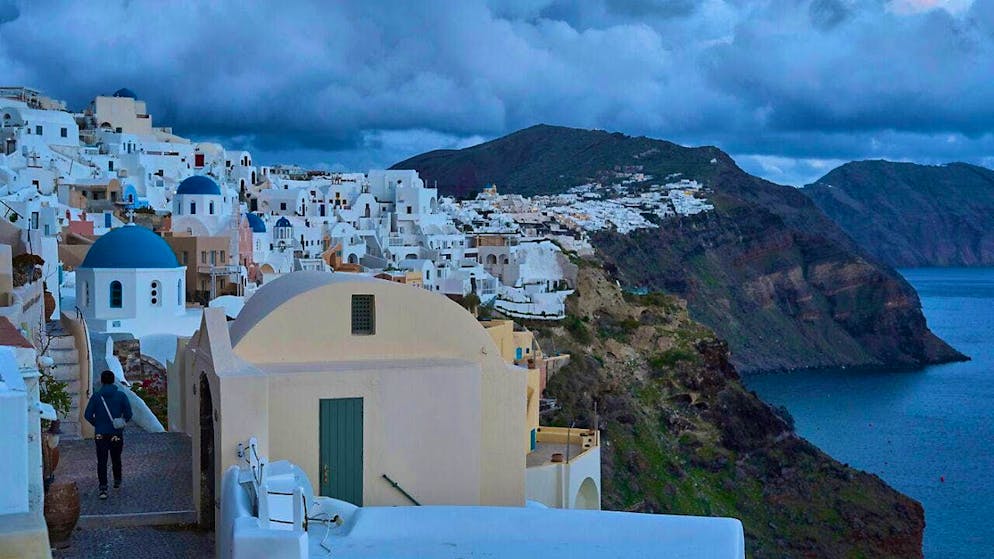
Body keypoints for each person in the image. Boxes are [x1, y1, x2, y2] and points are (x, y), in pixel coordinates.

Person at [83, 370, 133, 500]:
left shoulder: (96, 396)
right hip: (116, 433)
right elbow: (129, 414)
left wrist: (97, 424)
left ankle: (103, 487)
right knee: (116, 458)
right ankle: (117, 480)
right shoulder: (121, 396)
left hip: (100, 433)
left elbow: (87, 415)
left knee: (102, 461)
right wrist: (121, 421)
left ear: (102, 381)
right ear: (113, 381)